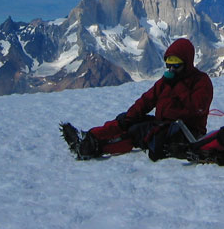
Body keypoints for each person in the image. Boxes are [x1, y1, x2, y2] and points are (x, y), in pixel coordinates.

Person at [60, 37, 213, 160]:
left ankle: (93, 148)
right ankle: (90, 135)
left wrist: (177, 88)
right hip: (164, 124)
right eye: (169, 65)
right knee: (127, 120)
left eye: (176, 65)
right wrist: (129, 116)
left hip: (186, 131)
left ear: (187, 63)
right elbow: (147, 100)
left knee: (137, 132)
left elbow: (196, 108)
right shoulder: (166, 82)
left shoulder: (201, 81)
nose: (171, 69)